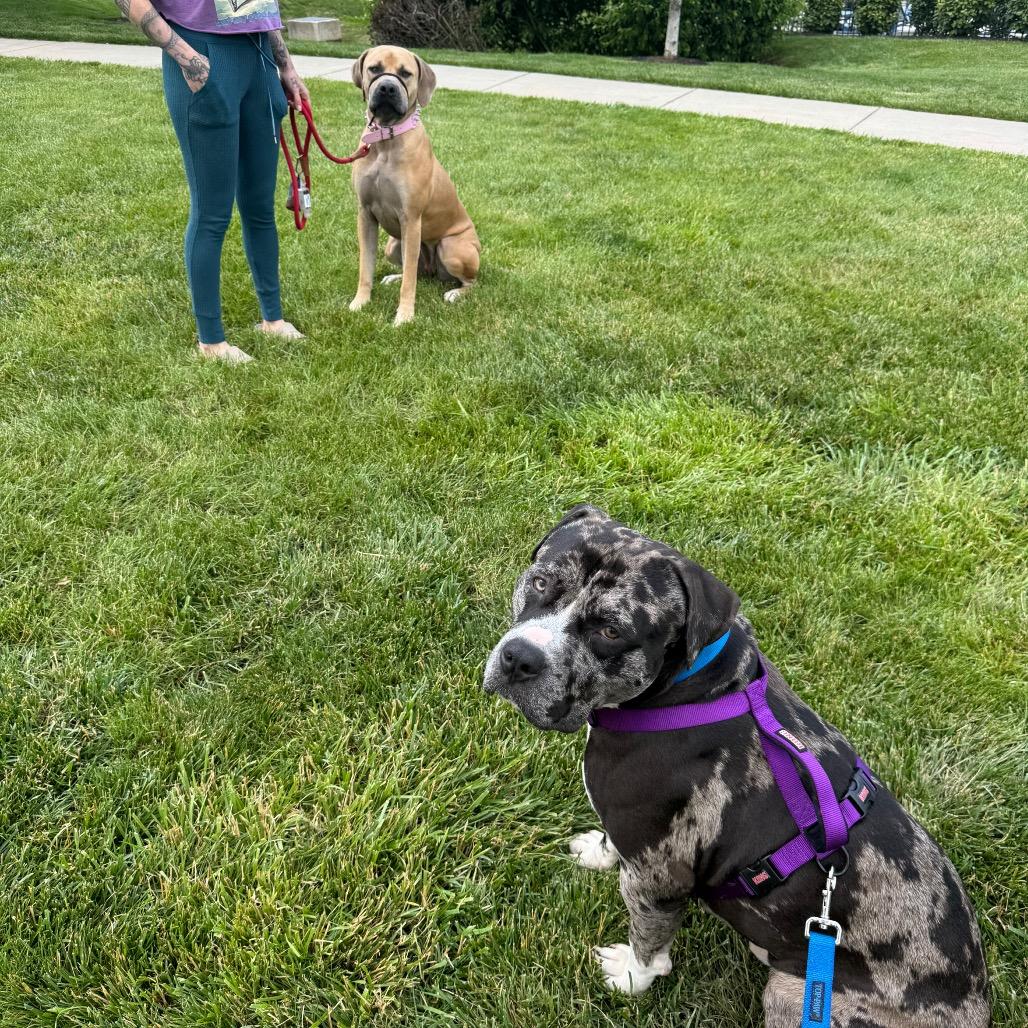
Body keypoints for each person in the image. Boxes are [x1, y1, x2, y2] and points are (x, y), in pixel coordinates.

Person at [115, 0, 310, 363]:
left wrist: (285, 65)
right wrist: (188, 58)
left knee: (260, 207)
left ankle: (273, 319)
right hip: (201, 52)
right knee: (211, 213)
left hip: (259, 57)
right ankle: (211, 342)